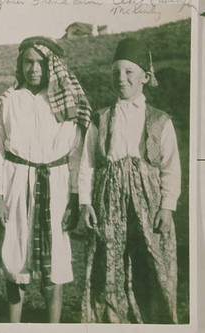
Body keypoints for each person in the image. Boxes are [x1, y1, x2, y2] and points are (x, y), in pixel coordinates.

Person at [0, 36, 91, 323]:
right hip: (16, 182)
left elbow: (76, 153)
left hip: (55, 185)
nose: (34, 69)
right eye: (28, 62)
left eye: (41, 63)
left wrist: (74, 196)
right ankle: (13, 324)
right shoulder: (9, 101)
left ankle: (53, 326)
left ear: (52, 67)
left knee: (55, 258)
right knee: (15, 253)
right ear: (20, 65)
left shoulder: (66, 104)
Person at [78, 38, 181, 323]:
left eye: (128, 72)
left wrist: (167, 206)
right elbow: (87, 164)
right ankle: (112, 321)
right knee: (109, 264)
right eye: (115, 73)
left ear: (145, 77)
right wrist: (85, 203)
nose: (121, 79)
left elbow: (171, 166)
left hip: (149, 204)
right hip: (109, 204)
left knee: (151, 264)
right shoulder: (100, 119)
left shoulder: (160, 121)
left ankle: (155, 321)